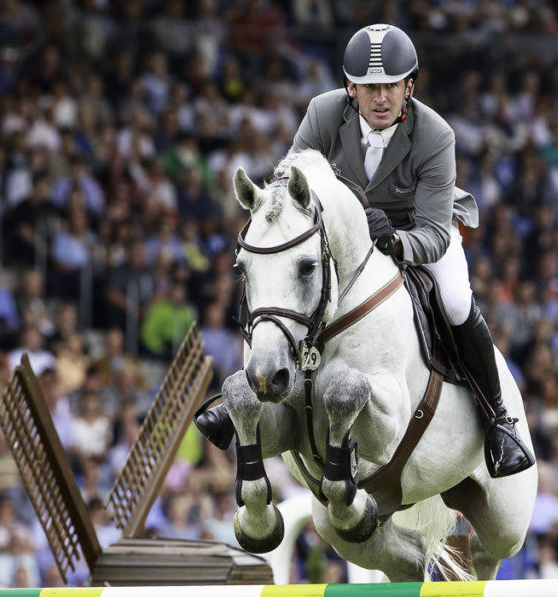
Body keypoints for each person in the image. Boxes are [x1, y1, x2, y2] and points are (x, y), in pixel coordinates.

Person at [197, 24, 533, 478]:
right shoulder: (322, 112)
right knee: (282, 272)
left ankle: (498, 419)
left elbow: (434, 232)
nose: (380, 98)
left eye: (391, 86)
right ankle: (252, 392)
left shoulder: (436, 135)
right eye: (369, 86)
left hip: (417, 228)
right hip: (343, 233)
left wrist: (395, 240)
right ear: (350, 86)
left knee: (453, 299)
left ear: (408, 86)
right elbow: (287, 183)